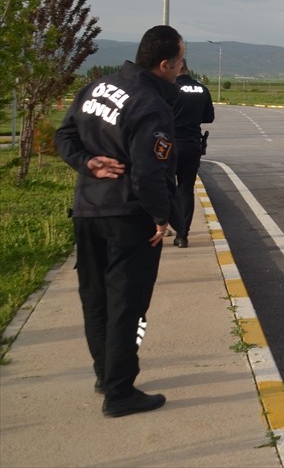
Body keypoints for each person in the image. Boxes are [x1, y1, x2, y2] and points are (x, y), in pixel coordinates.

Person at [55, 25, 184, 418]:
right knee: (128, 305)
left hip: (88, 210)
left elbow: (65, 134)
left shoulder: (98, 86)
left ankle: (105, 375)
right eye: (180, 62)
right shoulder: (150, 103)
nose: (181, 69)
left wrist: (85, 162)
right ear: (163, 64)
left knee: (95, 299)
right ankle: (121, 391)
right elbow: (148, 172)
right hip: (129, 215)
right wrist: (161, 217)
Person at [170, 61, 214, 248]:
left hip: (168, 145)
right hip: (191, 144)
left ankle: (161, 225)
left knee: (164, 187)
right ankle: (182, 235)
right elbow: (209, 117)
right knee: (186, 189)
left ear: (176, 67)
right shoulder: (201, 89)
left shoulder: (169, 88)